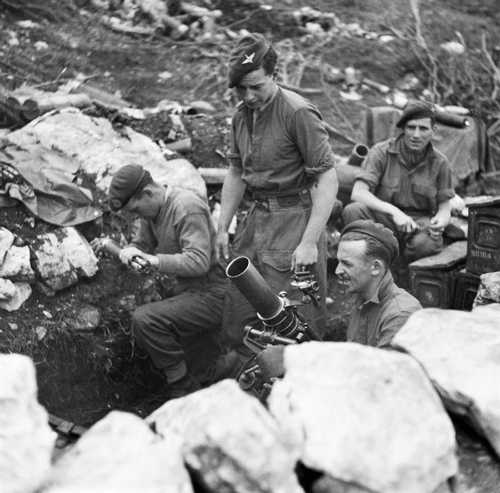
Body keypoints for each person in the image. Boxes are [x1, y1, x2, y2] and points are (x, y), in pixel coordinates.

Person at [215, 32, 339, 376]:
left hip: (295, 220)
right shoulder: (241, 116)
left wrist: (310, 242)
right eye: (241, 89)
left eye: (256, 86)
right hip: (256, 220)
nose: (248, 96)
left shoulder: (297, 113)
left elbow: (327, 179)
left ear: (274, 75)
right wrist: (222, 226)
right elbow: (236, 170)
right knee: (241, 310)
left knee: (292, 322)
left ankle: (296, 393)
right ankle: (246, 387)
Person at [103, 164, 227, 398]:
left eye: (137, 209)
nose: (138, 216)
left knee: (145, 319)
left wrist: (154, 261)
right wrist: (132, 252)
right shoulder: (153, 211)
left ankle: (182, 387)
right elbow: (143, 245)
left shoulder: (186, 207)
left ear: (148, 193)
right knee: (203, 365)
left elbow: (199, 261)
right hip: (187, 290)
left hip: (213, 292)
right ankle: (202, 379)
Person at [342, 101, 454, 262]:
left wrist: (441, 222)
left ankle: (404, 273)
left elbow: (444, 208)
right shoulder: (381, 152)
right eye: (411, 127)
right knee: (354, 210)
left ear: (433, 131)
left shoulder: (441, 162)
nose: (416, 135)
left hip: (419, 223)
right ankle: (365, 266)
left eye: (423, 128)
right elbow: (358, 193)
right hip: (384, 217)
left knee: (426, 244)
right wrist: (394, 212)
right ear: (402, 128)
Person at [336, 219, 422, 347]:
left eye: (347, 264)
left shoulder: (400, 315)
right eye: (339, 262)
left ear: (376, 268)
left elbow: (387, 366)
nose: (337, 270)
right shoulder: (363, 295)